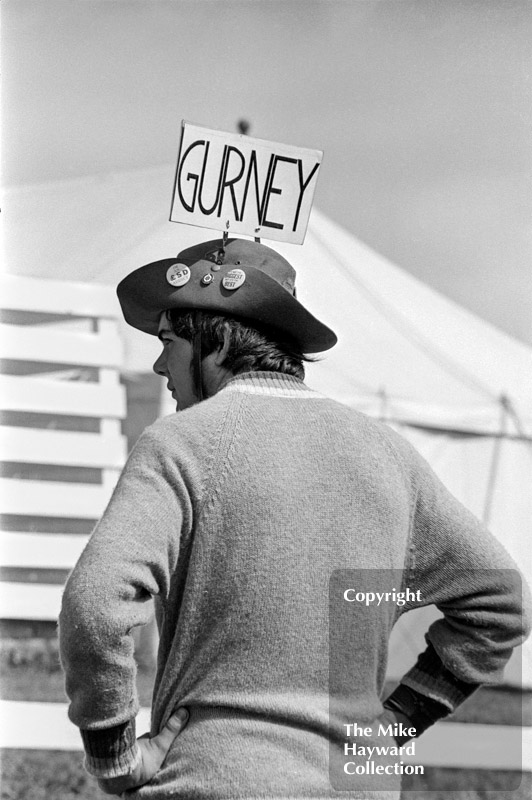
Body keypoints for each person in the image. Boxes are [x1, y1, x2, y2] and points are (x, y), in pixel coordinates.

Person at [59, 237, 530, 798]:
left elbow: (95, 604)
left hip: (211, 782)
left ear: (220, 336)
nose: (160, 364)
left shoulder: (180, 444)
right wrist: (394, 728)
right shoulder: (388, 454)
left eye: (168, 340)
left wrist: (115, 758)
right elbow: (501, 603)